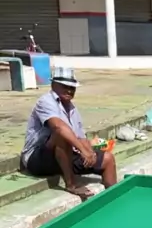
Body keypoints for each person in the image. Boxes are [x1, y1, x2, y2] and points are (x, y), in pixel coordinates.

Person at [21, 67, 117, 197]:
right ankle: (71, 184)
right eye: (64, 86)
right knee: (61, 135)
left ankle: (112, 198)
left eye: (72, 87)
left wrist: (89, 152)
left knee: (107, 158)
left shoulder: (72, 109)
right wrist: (82, 150)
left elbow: (81, 137)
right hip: (37, 158)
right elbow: (58, 127)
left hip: (64, 156)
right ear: (53, 84)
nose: (69, 90)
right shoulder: (45, 101)